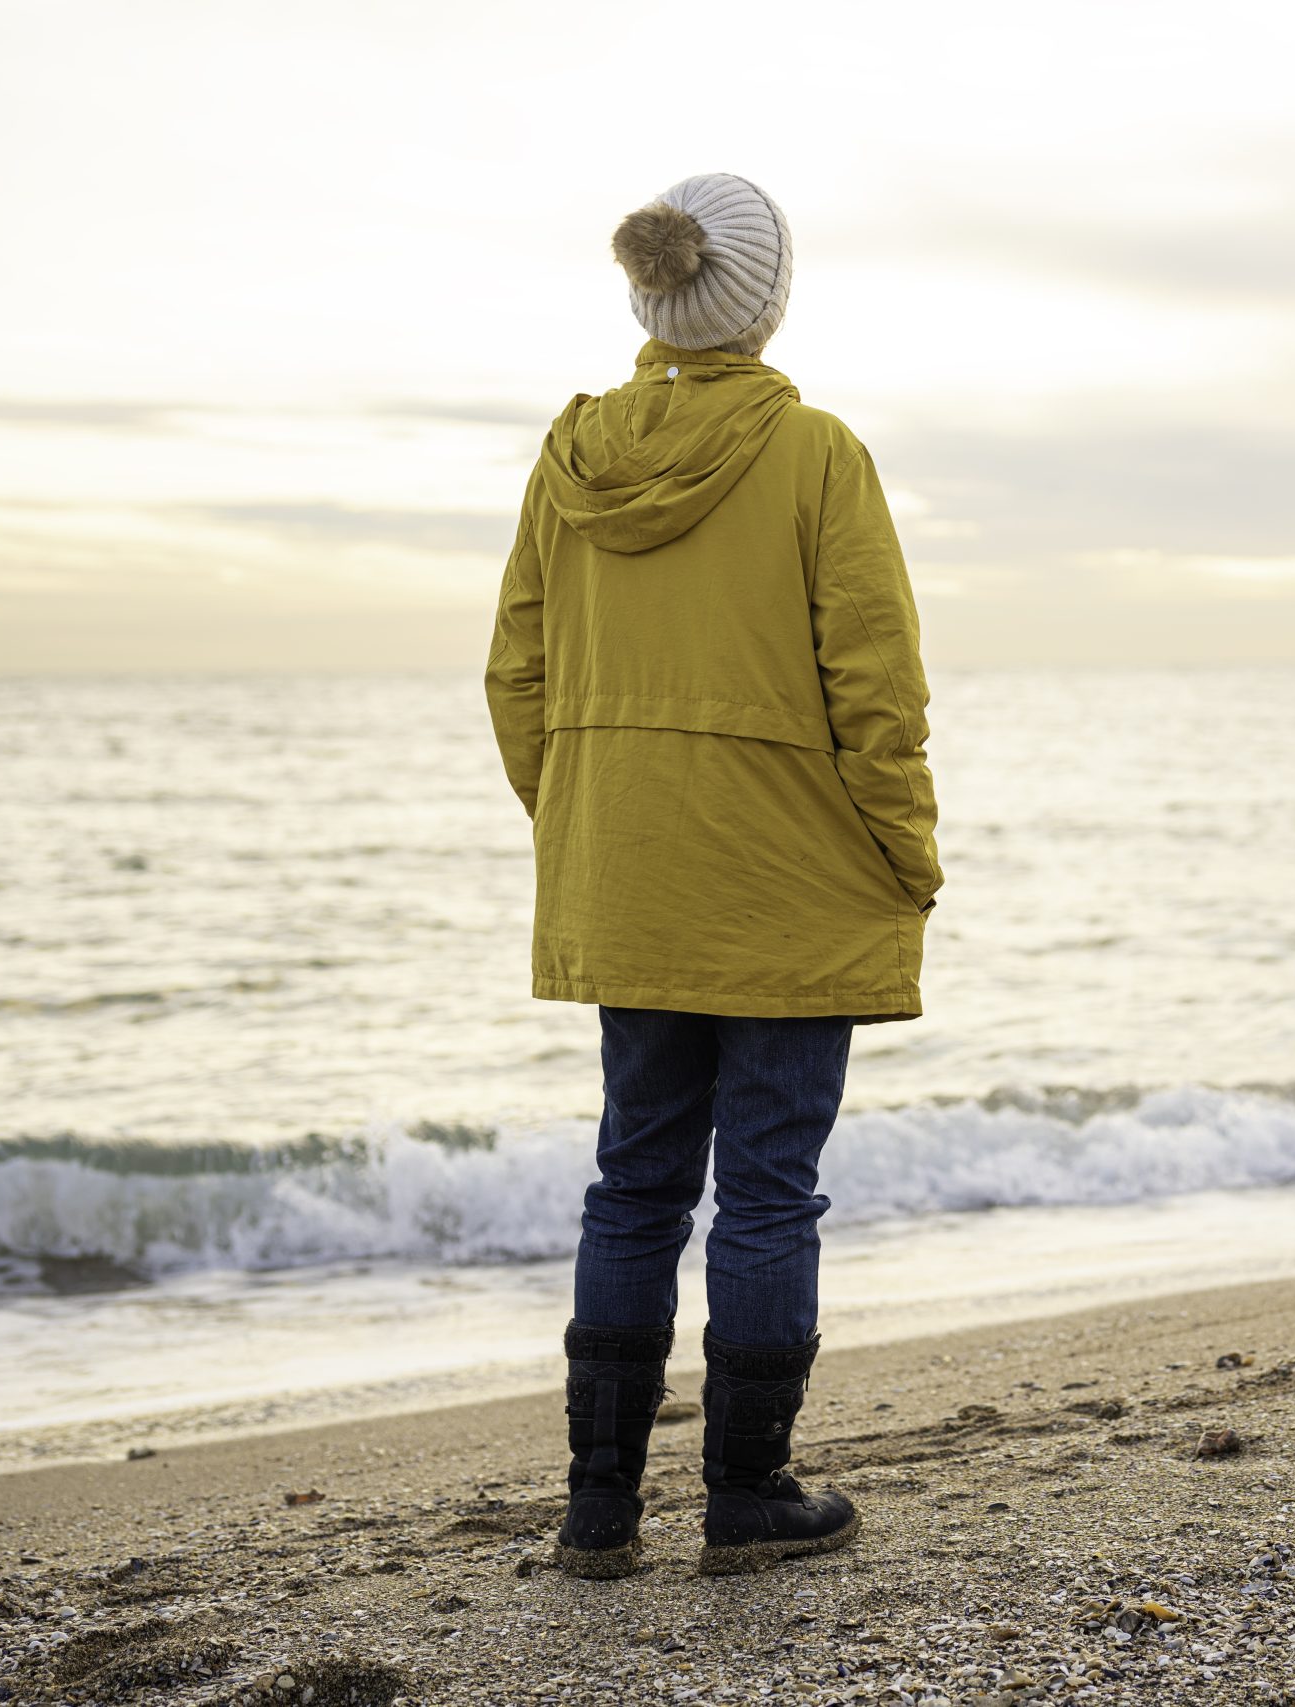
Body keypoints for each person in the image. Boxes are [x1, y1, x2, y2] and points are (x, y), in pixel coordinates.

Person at [482, 171, 942, 1580]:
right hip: (786, 884)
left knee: (631, 1184)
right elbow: (877, 689)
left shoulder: (571, 461)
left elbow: (518, 677)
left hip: (631, 876)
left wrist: (589, 822)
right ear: (764, 299)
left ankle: (598, 1511)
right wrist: (906, 853)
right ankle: (747, 1496)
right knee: (767, 1194)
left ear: (651, 297)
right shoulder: (816, 455)